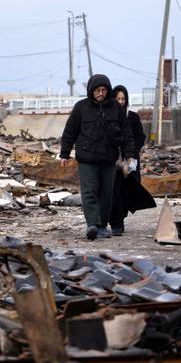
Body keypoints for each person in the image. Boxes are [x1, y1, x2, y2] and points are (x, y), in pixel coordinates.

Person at [60, 74, 136, 240]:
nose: (101, 93)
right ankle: (92, 224)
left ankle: (102, 226)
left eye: (103, 90)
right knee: (89, 192)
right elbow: (69, 132)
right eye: (97, 90)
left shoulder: (115, 107)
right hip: (87, 158)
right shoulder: (81, 107)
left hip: (109, 159)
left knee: (106, 194)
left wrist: (129, 155)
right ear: (91, 91)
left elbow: (126, 133)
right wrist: (64, 154)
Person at [109, 85, 146, 236]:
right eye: (117, 98)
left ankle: (121, 217)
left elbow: (140, 137)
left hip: (130, 160)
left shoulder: (132, 117)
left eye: (123, 99)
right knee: (114, 191)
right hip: (113, 160)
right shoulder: (109, 117)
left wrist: (131, 152)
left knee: (127, 190)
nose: (120, 102)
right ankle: (116, 222)